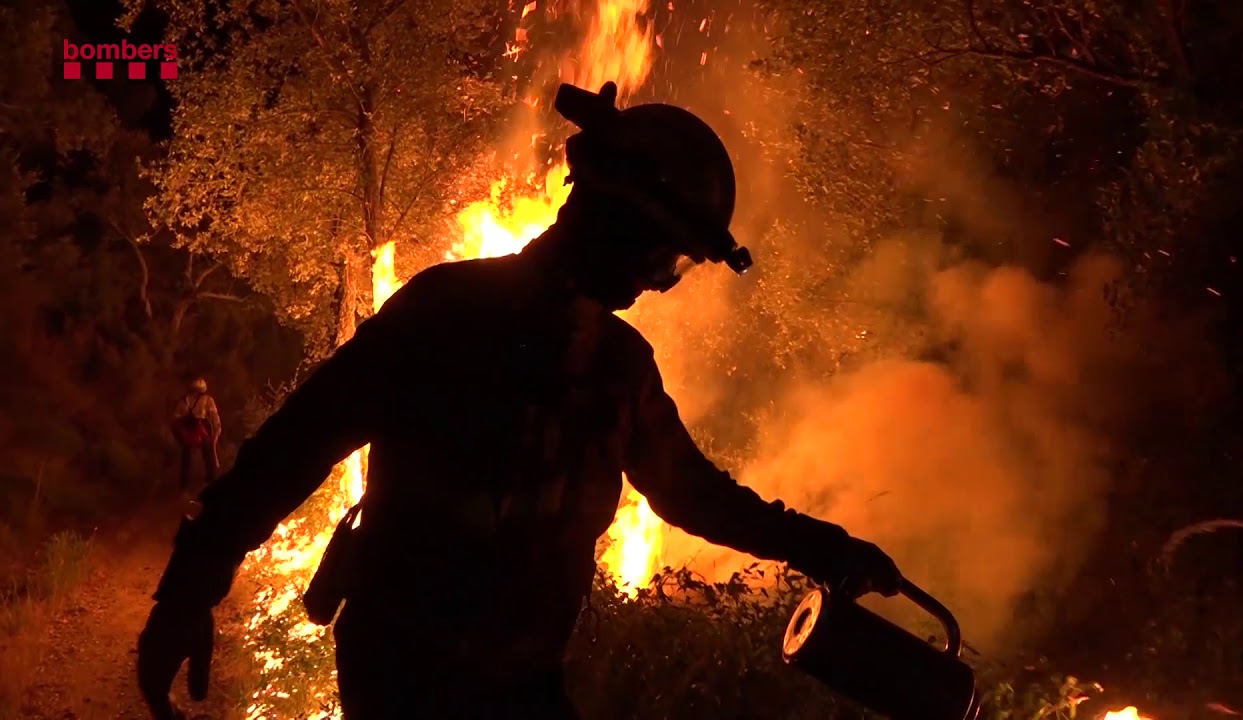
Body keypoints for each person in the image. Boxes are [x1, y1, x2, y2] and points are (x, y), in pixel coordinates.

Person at [137, 81, 903, 720]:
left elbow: (693, 495)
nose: (657, 282)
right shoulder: (462, 319)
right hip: (408, 686)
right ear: (617, 222)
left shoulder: (598, 359)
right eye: (665, 257)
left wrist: (823, 548)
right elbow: (296, 447)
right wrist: (191, 581)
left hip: (504, 687)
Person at [170, 377, 220, 494]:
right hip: (200, 433)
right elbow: (215, 419)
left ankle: (184, 488)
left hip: (187, 434)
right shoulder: (207, 400)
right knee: (210, 456)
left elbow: (175, 419)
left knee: (186, 460)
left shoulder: (183, 401)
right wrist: (216, 433)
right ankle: (211, 483)